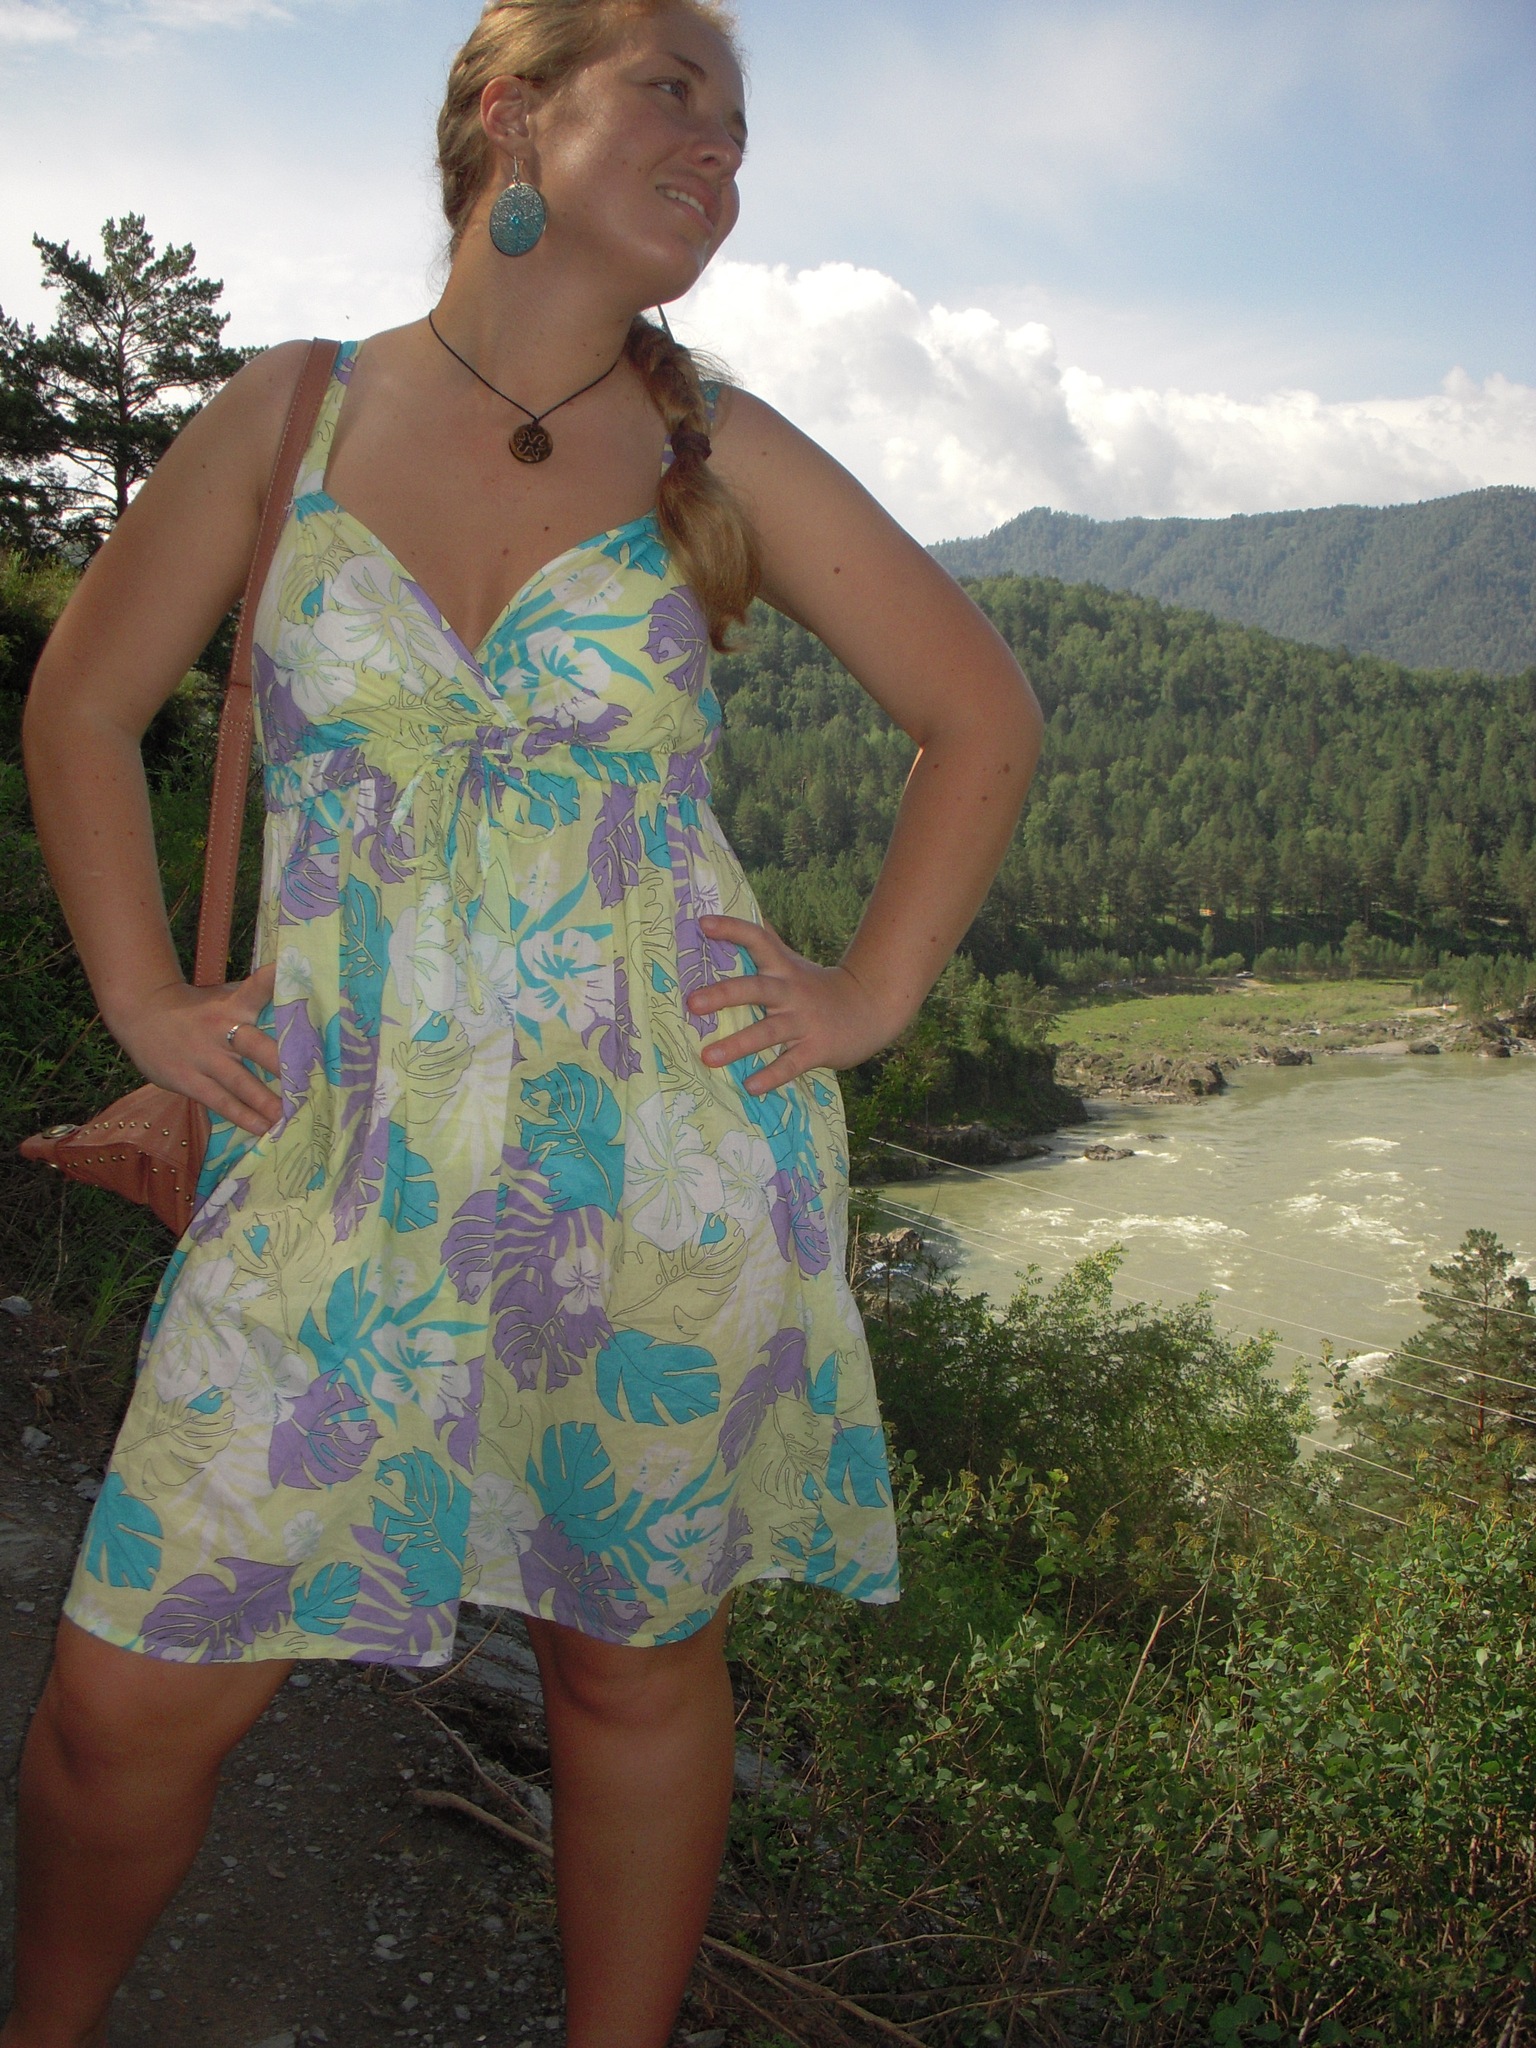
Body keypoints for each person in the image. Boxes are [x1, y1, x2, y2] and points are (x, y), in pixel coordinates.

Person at [10, 2, 1043, 2042]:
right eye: (674, 91)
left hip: (649, 1149)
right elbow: (83, 704)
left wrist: (866, 994)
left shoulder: (718, 446)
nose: (720, 148)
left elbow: (980, 715)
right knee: (120, 1704)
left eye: (738, 125)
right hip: (336, 1145)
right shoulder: (292, 414)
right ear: (511, 112)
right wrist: (143, 993)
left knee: (626, 1661)